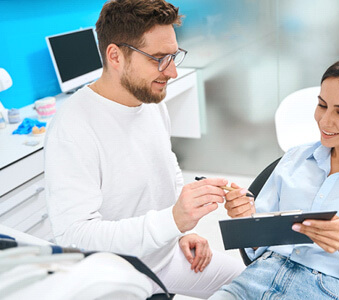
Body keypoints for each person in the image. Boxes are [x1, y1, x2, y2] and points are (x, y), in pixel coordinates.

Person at [44, 0, 244, 298]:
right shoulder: (73, 127)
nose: (172, 71)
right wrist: (172, 221)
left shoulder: (149, 99)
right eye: (159, 58)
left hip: (165, 256)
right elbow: (77, 237)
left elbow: (168, 168)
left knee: (254, 285)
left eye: (174, 55)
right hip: (114, 271)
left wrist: (183, 230)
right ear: (115, 56)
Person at [210, 55, 339, 300]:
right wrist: (245, 218)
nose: (325, 120)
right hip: (258, 277)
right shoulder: (294, 159)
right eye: (322, 105)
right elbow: (256, 250)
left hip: (324, 290)